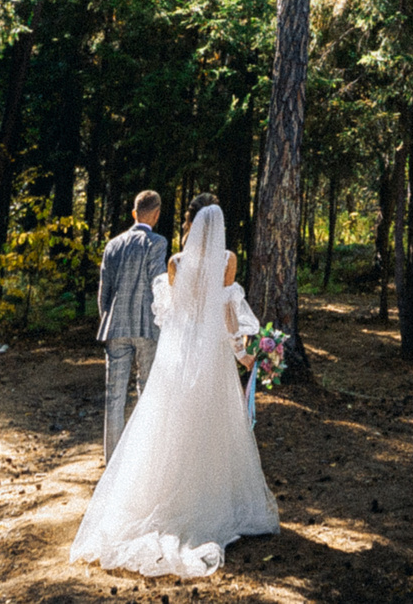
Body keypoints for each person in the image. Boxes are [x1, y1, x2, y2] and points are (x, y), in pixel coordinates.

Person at [69, 199, 279, 577]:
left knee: (167, 427)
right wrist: (244, 355)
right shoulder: (227, 261)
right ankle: (207, 502)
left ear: (190, 224)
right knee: (212, 429)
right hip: (211, 357)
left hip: (178, 356)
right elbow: (228, 314)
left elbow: (170, 319)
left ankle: (166, 502)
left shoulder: (176, 263)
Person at [95, 190, 170, 459]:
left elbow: (103, 293)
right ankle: (143, 460)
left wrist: (109, 319)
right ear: (157, 214)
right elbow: (158, 285)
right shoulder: (158, 242)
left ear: (134, 213)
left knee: (114, 397)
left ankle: (111, 461)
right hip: (147, 327)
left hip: (115, 327)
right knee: (146, 392)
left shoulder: (113, 245)